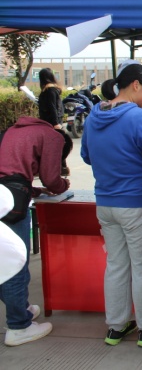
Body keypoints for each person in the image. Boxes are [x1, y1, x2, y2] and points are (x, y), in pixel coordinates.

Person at [81, 60, 142, 348]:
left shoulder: (94, 115)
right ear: (135, 84)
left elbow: (86, 156)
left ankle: (116, 326)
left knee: (116, 265)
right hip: (137, 203)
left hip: (105, 203)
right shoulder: (138, 117)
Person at [0, 116, 71, 346]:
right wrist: (63, 185)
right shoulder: (53, 137)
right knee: (15, 262)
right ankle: (19, 326)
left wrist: (35, 190)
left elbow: (9, 173)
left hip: (6, 194)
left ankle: (22, 309)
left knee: (3, 259)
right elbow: (51, 178)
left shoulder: (15, 130)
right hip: (11, 205)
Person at [37, 68, 69, 176]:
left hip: (52, 123)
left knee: (56, 146)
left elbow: (52, 107)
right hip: (51, 122)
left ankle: (62, 168)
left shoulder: (50, 90)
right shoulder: (50, 90)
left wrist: (56, 123)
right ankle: (61, 168)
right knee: (55, 145)